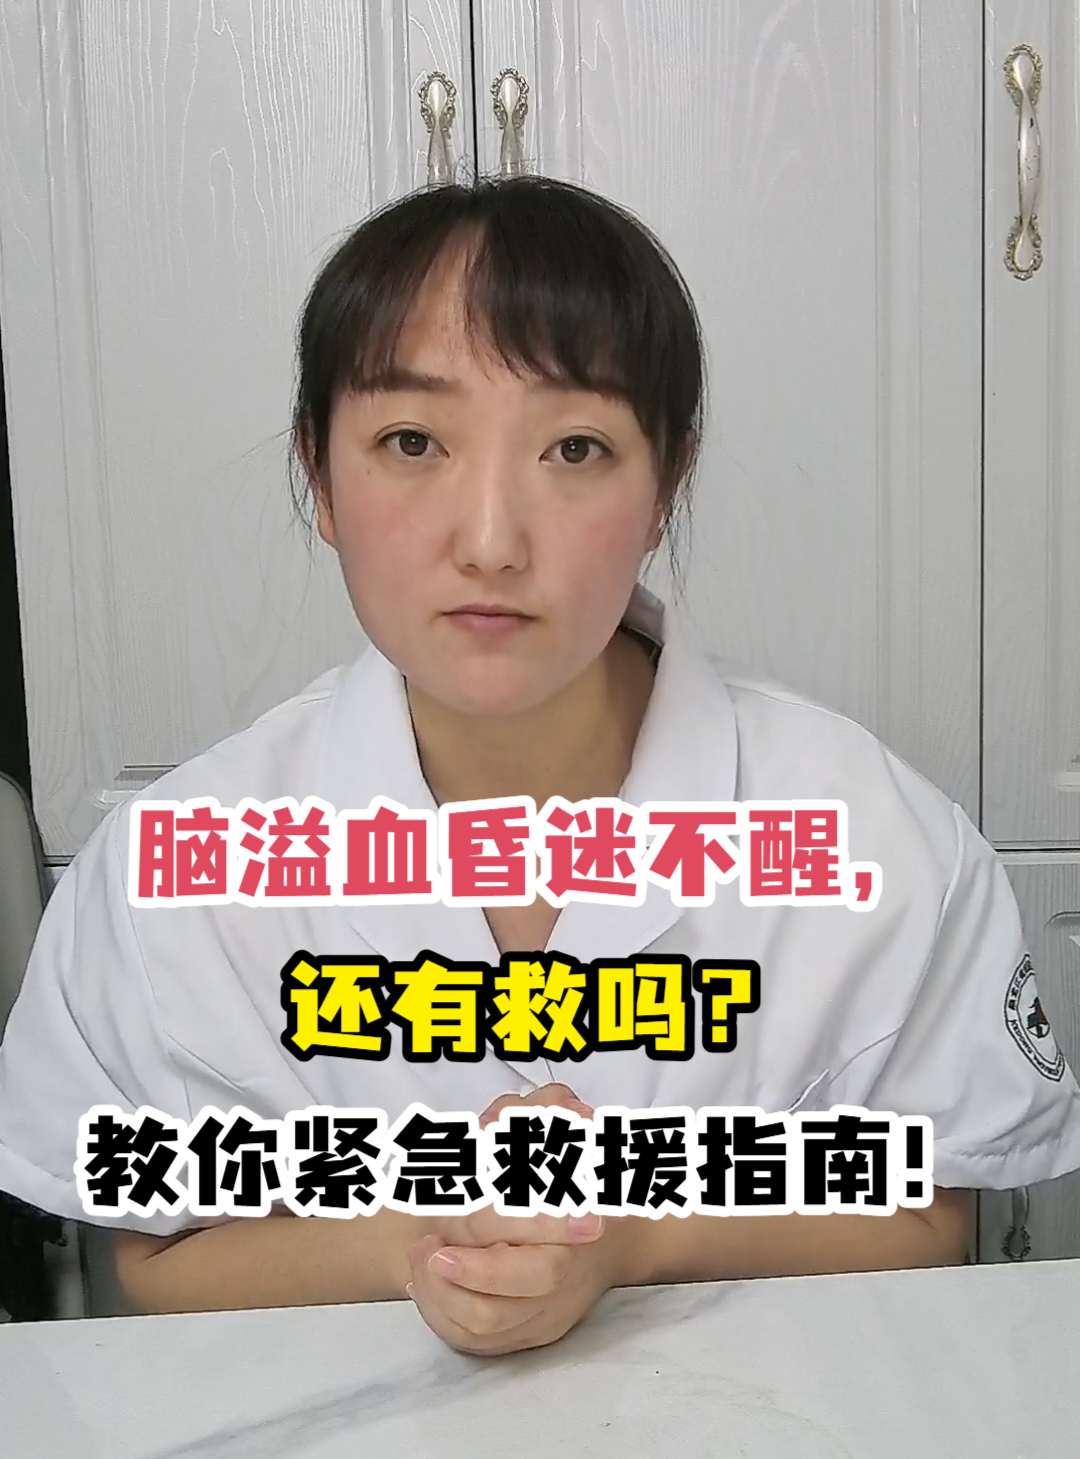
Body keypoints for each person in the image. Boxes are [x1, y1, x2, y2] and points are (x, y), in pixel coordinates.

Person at [1, 176, 1079, 1357]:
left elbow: (929, 1214)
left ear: (666, 483)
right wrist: (412, 1240)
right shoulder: (173, 874)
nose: (491, 541)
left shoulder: (878, 839)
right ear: (319, 473)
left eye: (575, 447)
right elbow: (153, 1254)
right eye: (412, 441)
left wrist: (628, 1234)